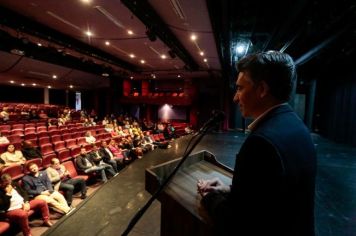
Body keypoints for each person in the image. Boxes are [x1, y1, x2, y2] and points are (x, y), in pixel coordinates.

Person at [197, 51, 317, 236]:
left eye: (240, 88)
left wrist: (210, 197)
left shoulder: (261, 143)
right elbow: (272, 196)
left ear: (262, 89)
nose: (235, 98)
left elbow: (236, 222)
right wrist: (230, 190)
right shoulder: (298, 126)